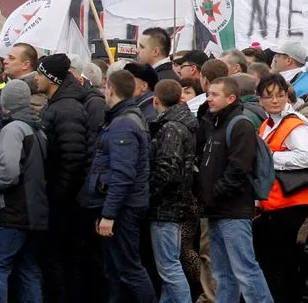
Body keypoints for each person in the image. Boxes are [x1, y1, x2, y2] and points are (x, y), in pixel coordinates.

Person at [199, 76, 274, 303]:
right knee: (223, 274)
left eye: (215, 95)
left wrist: (215, 193)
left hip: (233, 210)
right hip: (216, 210)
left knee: (245, 270)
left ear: (231, 98)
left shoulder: (240, 124)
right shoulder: (214, 123)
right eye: (209, 93)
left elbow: (239, 167)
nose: (209, 98)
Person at [84, 69, 156, 303]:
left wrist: (109, 214)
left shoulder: (123, 124)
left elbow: (123, 174)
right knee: (115, 270)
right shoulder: (125, 118)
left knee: (128, 268)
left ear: (110, 90)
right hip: (120, 205)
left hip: (123, 208)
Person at [36, 51, 101, 301]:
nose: (37, 80)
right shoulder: (59, 104)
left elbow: (72, 157)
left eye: (40, 74)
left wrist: (58, 194)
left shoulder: (66, 108)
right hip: (66, 198)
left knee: (61, 258)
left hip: (66, 201)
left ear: (51, 78)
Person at [253, 73, 308, 303]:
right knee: (275, 264)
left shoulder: (295, 123)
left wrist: (270, 158)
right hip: (274, 204)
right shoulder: (267, 124)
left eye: (280, 95)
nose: (275, 100)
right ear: (259, 99)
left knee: (282, 265)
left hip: (290, 203)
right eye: (269, 96)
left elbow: (306, 157)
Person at [0, 79, 49, 303]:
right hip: (35, 211)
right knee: (27, 268)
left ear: (6, 102)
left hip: (12, 211)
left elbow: (8, 172)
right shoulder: (37, 129)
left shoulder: (13, 129)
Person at [150, 78, 198, 303]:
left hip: (166, 208)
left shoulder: (171, 128)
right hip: (174, 205)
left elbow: (167, 171)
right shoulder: (180, 124)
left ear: (155, 100)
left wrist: (149, 196)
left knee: (169, 268)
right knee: (169, 266)